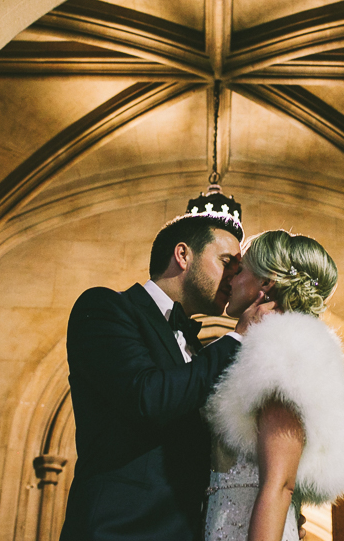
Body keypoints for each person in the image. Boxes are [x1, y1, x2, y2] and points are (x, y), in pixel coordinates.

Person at [60, 213, 273, 541]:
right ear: (183, 255)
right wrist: (238, 337)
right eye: (227, 261)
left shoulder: (197, 349)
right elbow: (148, 397)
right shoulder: (105, 308)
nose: (234, 277)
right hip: (118, 529)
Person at [203, 230, 344, 541]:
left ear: (265, 283)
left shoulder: (283, 351)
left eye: (241, 269)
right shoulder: (252, 351)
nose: (231, 278)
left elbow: (279, 484)